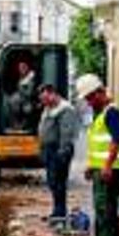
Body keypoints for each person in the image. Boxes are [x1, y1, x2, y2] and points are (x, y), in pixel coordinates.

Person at [76, 74, 119, 236]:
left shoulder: (112, 112)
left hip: (113, 169)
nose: (89, 102)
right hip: (102, 169)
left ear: (100, 92)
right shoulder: (99, 113)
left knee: (107, 209)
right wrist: (92, 166)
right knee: (100, 207)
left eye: (90, 98)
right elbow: (98, 143)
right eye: (86, 99)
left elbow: (117, 140)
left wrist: (107, 166)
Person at [37, 83, 80, 223]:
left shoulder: (65, 109)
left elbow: (66, 133)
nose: (44, 102)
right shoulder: (49, 108)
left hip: (58, 150)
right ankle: (57, 211)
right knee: (52, 182)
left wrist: (62, 152)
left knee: (58, 182)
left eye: (45, 98)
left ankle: (60, 213)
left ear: (53, 94)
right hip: (49, 150)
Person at [6, 61, 37, 131]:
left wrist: (20, 91)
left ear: (27, 67)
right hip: (21, 102)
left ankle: (21, 126)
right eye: (19, 68)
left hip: (28, 103)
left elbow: (29, 93)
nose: (21, 70)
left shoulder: (31, 78)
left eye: (23, 67)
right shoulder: (22, 78)